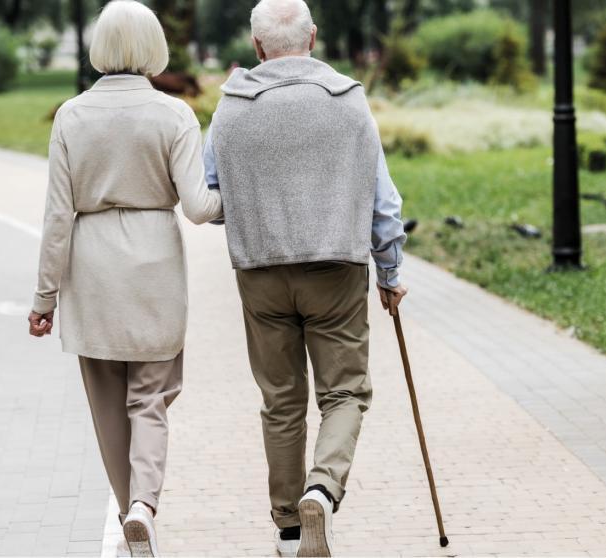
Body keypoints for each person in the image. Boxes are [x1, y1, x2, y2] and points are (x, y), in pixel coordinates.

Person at [203, 0, 408, 555]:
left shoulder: (231, 108)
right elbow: (382, 201)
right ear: (313, 37)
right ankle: (323, 486)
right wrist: (390, 271)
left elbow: (212, 195)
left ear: (257, 46)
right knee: (344, 392)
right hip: (336, 269)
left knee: (281, 400)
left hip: (260, 271)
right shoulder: (348, 102)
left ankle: (291, 526)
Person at [27, 2, 223, 556]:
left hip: (91, 269)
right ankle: (144, 507)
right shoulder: (174, 114)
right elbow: (199, 207)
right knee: (151, 398)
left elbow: (56, 216)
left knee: (108, 402)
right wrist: (237, 196)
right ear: (152, 46)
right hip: (153, 264)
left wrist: (44, 296)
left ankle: (127, 516)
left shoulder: (71, 115)